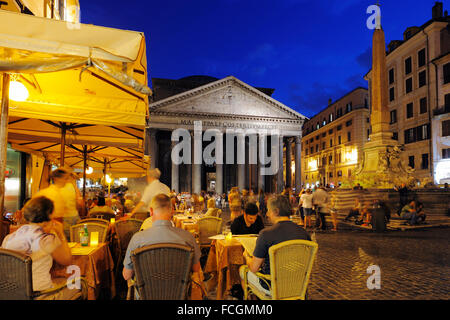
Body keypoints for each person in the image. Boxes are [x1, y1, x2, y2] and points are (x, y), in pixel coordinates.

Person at [1, 196, 82, 300]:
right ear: (49, 215)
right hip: (40, 295)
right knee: (79, 283)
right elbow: (67, 260)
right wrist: (60, 233)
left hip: (11, 293)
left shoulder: (9, 237)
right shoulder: (46, 239)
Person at [122, 194, 201, 299]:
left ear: (151, 211)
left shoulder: (137, 239)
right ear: (172, 210)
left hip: (146, 295)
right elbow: (196, 268)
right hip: (178, 294)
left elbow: (126, 275)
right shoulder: (187, 237)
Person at [239, 195, 310, 294]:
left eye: (269, 210)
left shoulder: (266, 234)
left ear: (276, 211)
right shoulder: (304, 233)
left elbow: (254, 268)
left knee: (243, 271)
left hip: (272, 286)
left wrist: (246, 257)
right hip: (298, 285)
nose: (267, 214)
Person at [34, 168, 80, 239]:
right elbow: (57, 218)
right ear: (57, 179)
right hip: (58, 224)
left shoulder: (52, 191)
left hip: (62, 222)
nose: (66, 181)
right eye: (65, 178)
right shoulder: (54, 193)